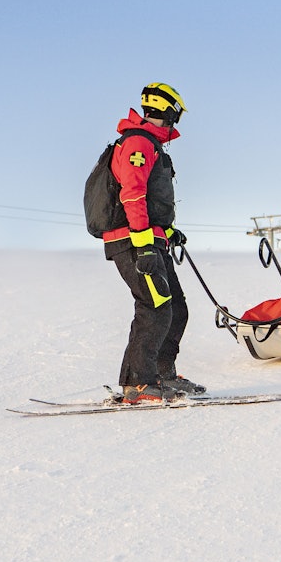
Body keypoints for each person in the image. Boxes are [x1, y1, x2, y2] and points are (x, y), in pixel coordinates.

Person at [100, 82, 205, 403]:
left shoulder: (149, 145)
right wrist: (145, 243)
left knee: (176, 307)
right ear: (170, 110)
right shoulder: (138, 143)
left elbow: (151, 201)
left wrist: (167, 232)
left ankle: (162, 374)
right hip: (133, 242)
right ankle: (139, 383)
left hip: (150, 239)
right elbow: (132, 192)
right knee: (155, 307)